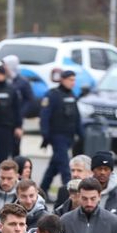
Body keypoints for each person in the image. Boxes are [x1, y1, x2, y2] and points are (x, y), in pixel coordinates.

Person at [39, 71, 82, 201]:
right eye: (70, 80)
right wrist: (46, 135)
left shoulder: (72, 95)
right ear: (62, 80)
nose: (72, 83)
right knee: (65, 166)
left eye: (74, 80)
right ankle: (70, 194)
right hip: (57, 136)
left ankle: (42, 191)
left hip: (68, 136)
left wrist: (81, 134)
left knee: (54, 166)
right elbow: (44, 116)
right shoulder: (52, 95)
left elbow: (76, 116)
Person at [2, 56, 36, 153]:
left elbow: (29, 99)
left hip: (16, 120)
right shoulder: (3, 80)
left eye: (5, 65)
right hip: (3, 119)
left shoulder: (23, 82)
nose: (4, 67)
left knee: (14, 148)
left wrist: (20, 113)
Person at [90, 151, 117, 225]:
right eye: (99, 169)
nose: (102, 172)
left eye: (106, 169)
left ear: (111, 171)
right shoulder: (83, 191)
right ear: (93, 170)